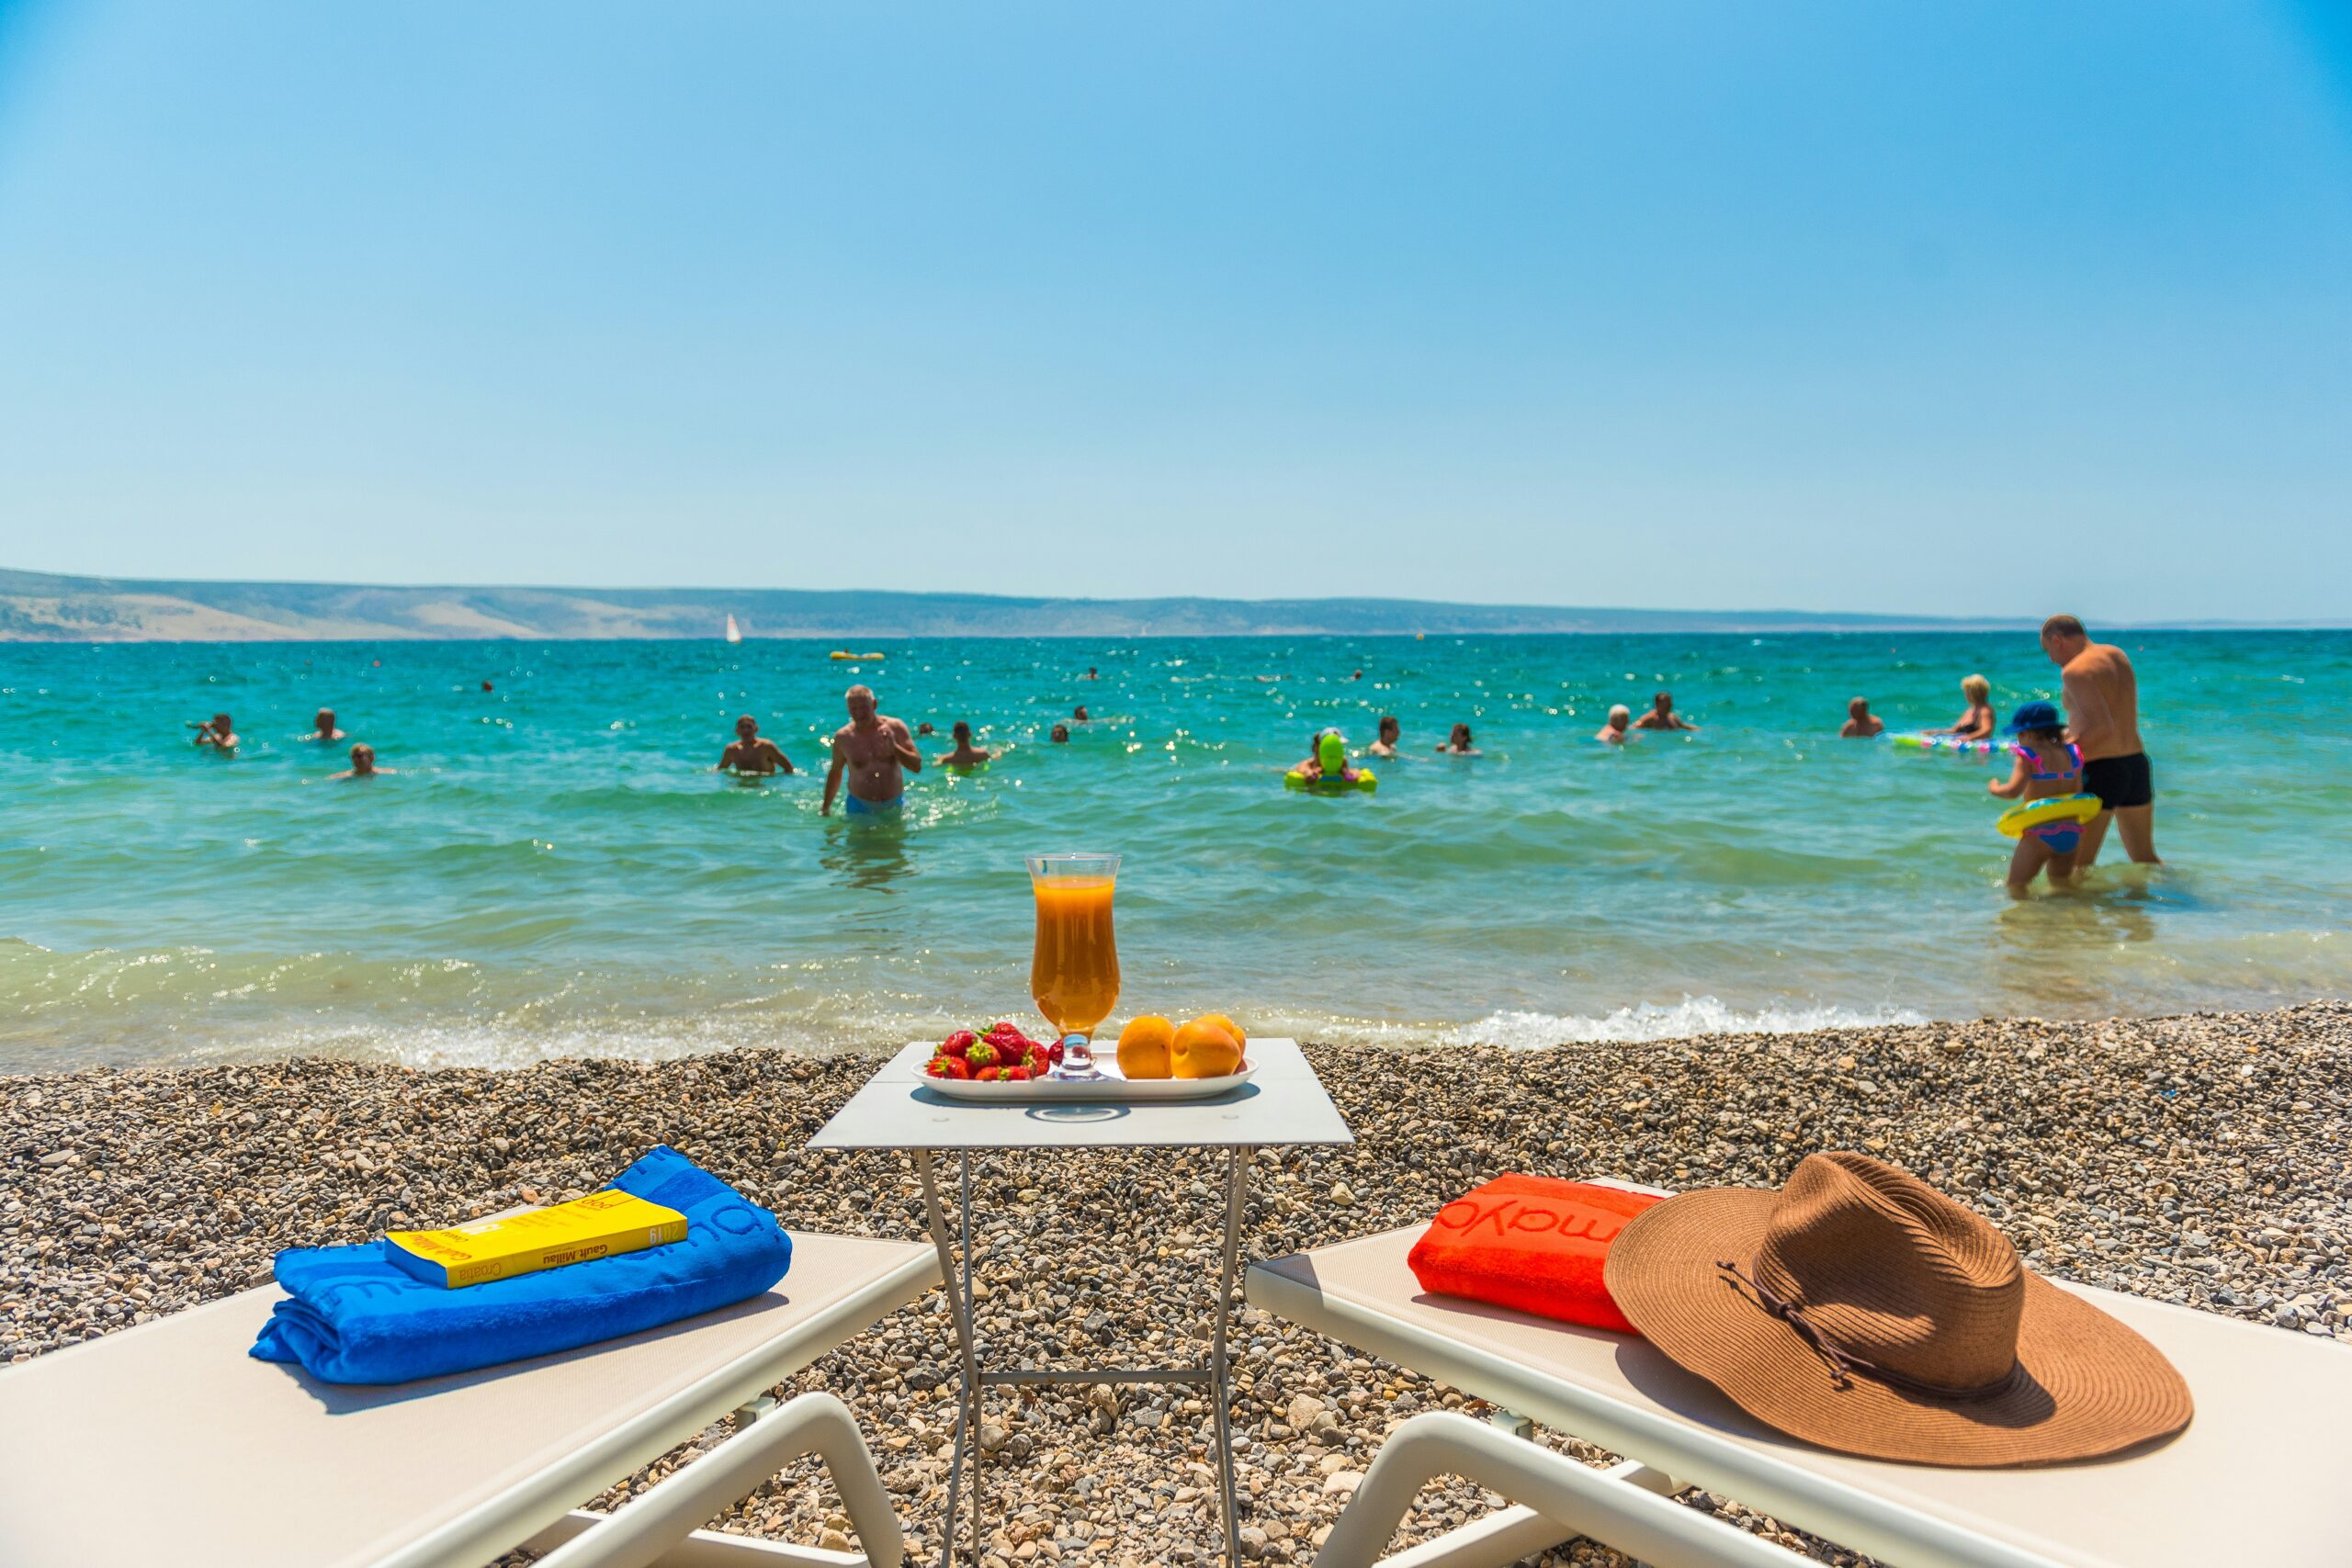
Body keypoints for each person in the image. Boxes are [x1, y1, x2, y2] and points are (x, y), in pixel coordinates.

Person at [2041, 615, 2159, 865]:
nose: (2050, 658)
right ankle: (2167, 891)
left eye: (2047, 649)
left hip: (2102, 770)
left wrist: (2059, 756)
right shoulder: (2116, 654)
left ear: (2057, 640)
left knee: (2076, 866)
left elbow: (2102, 727)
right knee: (2145, 859)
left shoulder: (2074, 670)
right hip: (2135, 764)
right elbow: (2111, 715)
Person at [1986, 701, 2085, 895]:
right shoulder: (2072, 753)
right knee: (2062, 889)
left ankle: (2022, 915)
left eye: (2019, 735)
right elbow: (2077, 792)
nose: (2018, 740)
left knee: (2016, 888)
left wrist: (1995, 788)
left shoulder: (2028, 755)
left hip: (2040, 834)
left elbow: (2013, 791)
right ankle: (2069, 913)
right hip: (2071, 832)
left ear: (2028, 733)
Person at [821, 685, 920, 817]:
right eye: (853, 709)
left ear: (874, 704)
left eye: (864, 707)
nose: (859, 713)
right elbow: (835, 773)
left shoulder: (895, 728)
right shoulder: (843, 738)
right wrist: (826, 807)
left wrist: (894, 747)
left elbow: (916, 766)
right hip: (859, 807)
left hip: (894, 804)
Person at [718, 715, 794, 775]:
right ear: (737, 731)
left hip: (765, 787)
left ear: (756, 729)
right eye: (742, 727)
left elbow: (789, 768)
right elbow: (720, 770)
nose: (746, 730)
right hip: (741, 788)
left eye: (749, 727)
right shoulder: (731, 750)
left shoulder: (766, 746)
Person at [1929, 675, 1996, 740]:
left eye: (1967, 692)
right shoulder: (1970, 711)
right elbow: (1954, 731)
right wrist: (1936, 732)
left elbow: (1986, 731)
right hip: (1964, 745)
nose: (1965, 695)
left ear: (1974, 693)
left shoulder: (1985, 710)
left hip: (1978, 746)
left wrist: (1968, 737)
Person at [1293, 728, 1362, 784]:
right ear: (1320, 747)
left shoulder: (1343, 761)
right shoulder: (1309, 763)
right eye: (1332, 747)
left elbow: (1353, 772)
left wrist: (1352, 774)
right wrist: (1310, 773)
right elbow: (1303, 769)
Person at [1633, 691, 1697, 731]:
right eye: (1666, 704)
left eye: (1670, 703)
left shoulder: (1672, 717)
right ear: (1657, 704)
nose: (1670, 705)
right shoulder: (1650, 718)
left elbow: (1685, 726)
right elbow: (1633, 728)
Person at [329, 742, 393, 779]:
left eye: (359, 756)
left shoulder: (388, 773)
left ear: (371, 757)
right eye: (353, 757)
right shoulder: (345, 777)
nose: (355, 759)